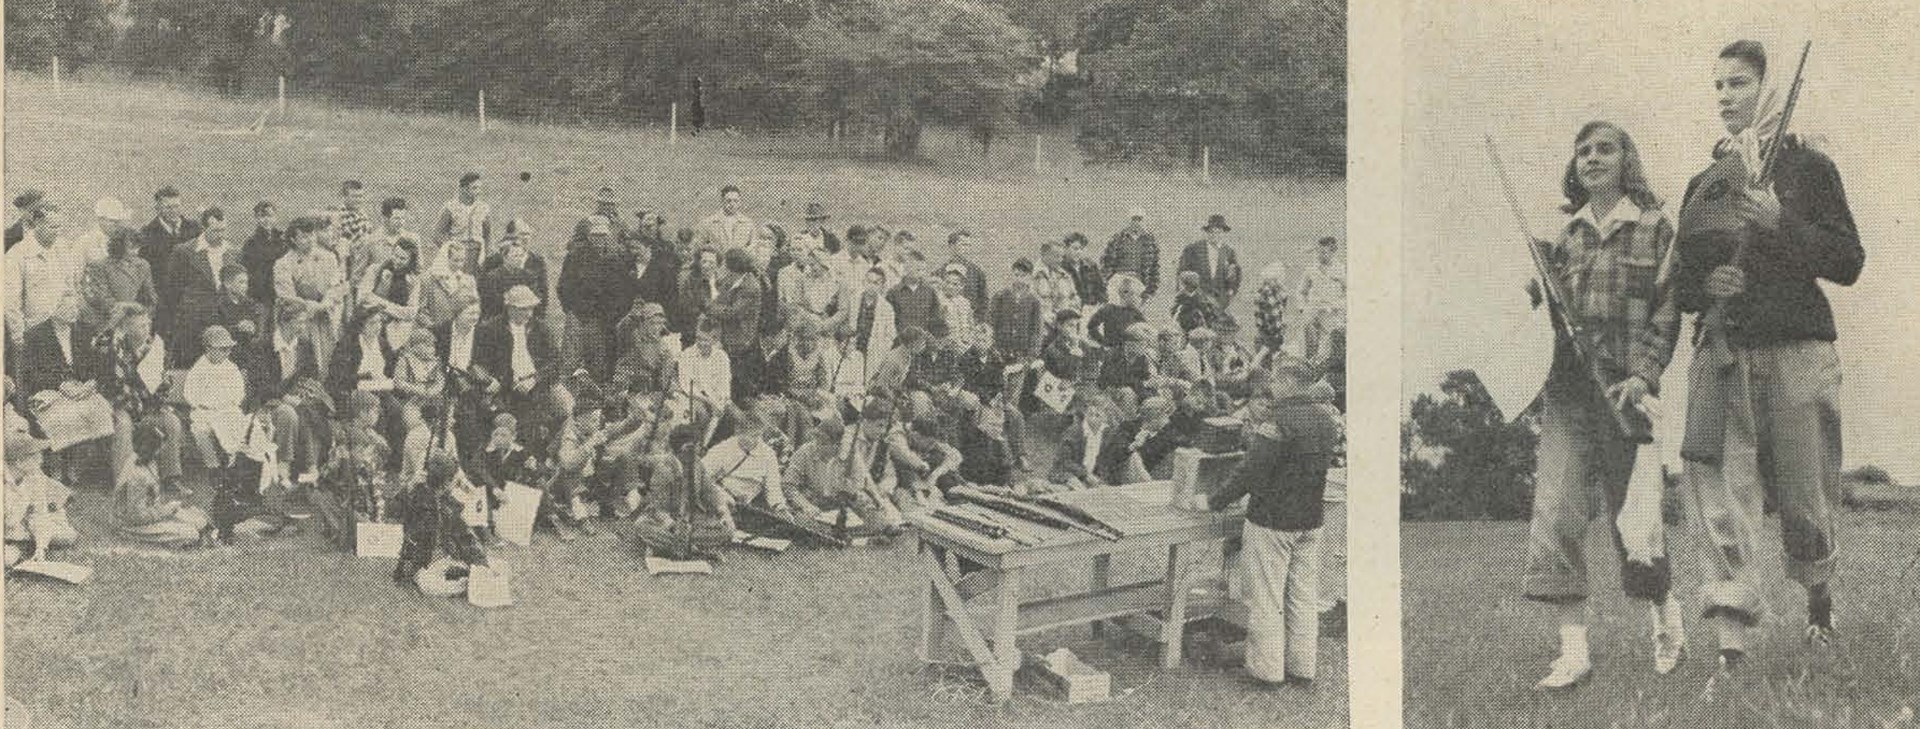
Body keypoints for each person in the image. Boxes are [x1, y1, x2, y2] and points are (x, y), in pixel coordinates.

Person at [1672, 40, 1863, 673]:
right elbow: (1684, 283)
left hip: (1798, 353)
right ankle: (1731, 652)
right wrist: (1708, 289)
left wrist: (1782, 220)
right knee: (1723, 500)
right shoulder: (1705, 184)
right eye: (1717, 85)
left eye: (1738, 84)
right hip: (1725, 356)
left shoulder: (1807, 167)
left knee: (1806, 502)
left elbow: (1848, 262)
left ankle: (1819, 606)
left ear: (1768, 89)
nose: (1724, 96)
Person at [1517, 120, 1684, 689]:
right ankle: (1573, 653)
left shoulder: (1657, 228)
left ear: (1626, 159)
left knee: (1633, 527)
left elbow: (1667, 311)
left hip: (1628, 395)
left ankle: (1666, 620)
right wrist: (1533, 295)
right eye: (1582, 150)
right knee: (1557, 513)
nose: (1592, 158)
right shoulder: (1566, 237)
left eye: (1604, 148)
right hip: (1569, 394)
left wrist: (1643, 376)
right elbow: (1545, 321)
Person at [1181, 358, 1341, 690]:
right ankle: (1302, 669)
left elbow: (1250, 472)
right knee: (1302, 596)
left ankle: (1267, 673)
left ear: (1287, 383)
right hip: (1311, 520)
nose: (1273, 389)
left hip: (1273, 521)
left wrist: (1212, 501)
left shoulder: (1277, 422)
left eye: (1276, 383)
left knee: (1267, 599)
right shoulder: (1327, 421)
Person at [95, 303, 186, 493]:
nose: (147, 330)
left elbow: (163, 378)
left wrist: (161, 390)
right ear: (125, 328)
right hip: (115, 402)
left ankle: (170, 477)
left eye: (148, 324)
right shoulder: (108, 345)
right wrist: (138, 406)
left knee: (171, 421)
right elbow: (112, 386)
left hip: (144, 403)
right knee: (124, 423)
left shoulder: (153, 344)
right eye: (141, 326)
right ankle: (124, 483)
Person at [783, 417, 905, 534]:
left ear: (837, 444)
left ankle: (882, 527)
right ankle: (833, 533)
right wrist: (805, 505)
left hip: (842, 500)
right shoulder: (805, 452)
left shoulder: (849, 455)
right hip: (813, 501)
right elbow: (788, 485)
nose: (817, 445)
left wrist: (853, 490)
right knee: (802, 521)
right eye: (817, 439)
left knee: (867, 508)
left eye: (824, 442)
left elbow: (862, 480)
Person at [559, 215, 640, 381]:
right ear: (589, 236)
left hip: (600, 319)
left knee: (598, 364)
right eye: (595, 236)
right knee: (570, 362)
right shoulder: (575, 256)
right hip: (578, 316)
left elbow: (620, 291)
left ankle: (596, 401)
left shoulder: (615, 260)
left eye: (602, 236)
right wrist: (571, 311)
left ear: (607, 236)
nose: (599, 240)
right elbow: (563, 286)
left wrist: (608, 315)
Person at [112, 421, 215, 549]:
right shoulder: (138, 475)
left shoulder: (147, 460)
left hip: (152, 513)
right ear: (150, 447)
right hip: (130, 525)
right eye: (159, 446)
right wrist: (167, 510)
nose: (162, 450)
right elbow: (136, 516)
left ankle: (200, 534)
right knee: (190, 533)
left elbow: (152, 501)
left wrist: (168, 509)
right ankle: (137, 536)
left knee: (200, 519)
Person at [274, 216, 348, 378]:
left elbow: (336, 287)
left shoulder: (328, 257)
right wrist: (309, 306)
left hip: (327, 316)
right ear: (293, 239)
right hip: (301, 320)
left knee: (332, 361)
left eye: (312, 235)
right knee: (306, 362)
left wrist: (324, 304)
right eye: (304, 236)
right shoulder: (283, 263)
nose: (310, 240)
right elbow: (287, 297)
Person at [6, 202, 87, 347]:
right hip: (34, 336)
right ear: (37, 224)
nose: (57, 232)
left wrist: (72, 309)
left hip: (64, 332)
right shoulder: (17, 255)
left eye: (59, 227)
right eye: (52, 227)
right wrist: (19, 336)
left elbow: (72, 287)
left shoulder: (63, 249)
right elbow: (11, 302)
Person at [474, 285, 559, 423]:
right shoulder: (491, 329)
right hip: (505, 388)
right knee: (505, 422)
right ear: (510, 308)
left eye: (531, 308)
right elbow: (479, 362)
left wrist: (534, 380)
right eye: (523, 309)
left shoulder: (540, 328)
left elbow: (555, 361)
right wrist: (490, 380)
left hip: (539, 383)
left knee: (568, 408)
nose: (529, 314)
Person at [166, 207, 237, 367]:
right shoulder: (184, 251)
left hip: (225, 321)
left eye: (223, 230)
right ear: (204, 228)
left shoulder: (232, 252)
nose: (221, 235)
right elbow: (172, 291)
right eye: (215, 230)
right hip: (194, 323)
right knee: (193, 367)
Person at [4, 431, 81, 565]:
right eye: (34, 456)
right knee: (7, 559)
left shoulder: (35, 476)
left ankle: (25, 544)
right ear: (18, 461)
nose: (40, 460)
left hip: (21, 525)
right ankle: (20, 546)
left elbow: (40, 514)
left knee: (67, 536)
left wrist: (41, 548)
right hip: (8, 530)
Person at [183, 325, 251, 470]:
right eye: (222, 349)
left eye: (228, 349)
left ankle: (236, 462)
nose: (226, 353)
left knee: (239, 424)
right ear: (208, 349)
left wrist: (228, 403)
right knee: (200, 431)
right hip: (205, 412)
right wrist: (207, 405)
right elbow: (190, 394)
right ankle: (213, 467)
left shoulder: (231, 368)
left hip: (227, 409)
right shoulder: (199, 369)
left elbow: (239, 392)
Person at [707, 248, 765, 402]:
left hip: (741, 341)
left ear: (733, 268)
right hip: (727, 337)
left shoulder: (751, 287)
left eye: (724, 264)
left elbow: (731, 312)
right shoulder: (730, 280)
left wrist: (710, 307)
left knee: (738, 386)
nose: (722, 267)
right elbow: (720, 301)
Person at [80, 224, 159, 330]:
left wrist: (138, 310)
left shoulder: (143, 265)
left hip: (134, 322)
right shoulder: (100, 266)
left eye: (138, 247)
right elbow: (101, 298)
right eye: (131, 248)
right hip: (105, 322)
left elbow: (150, 298)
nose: (136, 252)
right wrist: (123, 307)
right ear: (119, 247)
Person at [138, 186, 202, 315]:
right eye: (168, 207)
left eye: (177, 206)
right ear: (158, 208)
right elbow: (145, 271)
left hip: (193, 297)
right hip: (165, 300)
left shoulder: (194, 229)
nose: (174, 211)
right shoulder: (147, 234)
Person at [1292, 236, 1347, 361]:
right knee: (1307, 329)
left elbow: (1348, 291)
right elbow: (1301, 291)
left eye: (1324, 252)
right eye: (1319, 252)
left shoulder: (1340, 269)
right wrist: (1303, 308)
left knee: (1329, 342)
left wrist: (1338, 306)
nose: (1320, 256)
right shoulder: (1311, 269)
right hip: (1314, 309)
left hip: (1332, 312)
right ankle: (1309, 363)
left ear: (1332, 252)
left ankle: (1326, 366)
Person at [1179, 214, 1242, 308]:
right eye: (1212, 231)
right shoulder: (1193, 249)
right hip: (1196, 302)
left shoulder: (1229, 252)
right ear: (1207, 232)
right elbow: (1182, 273)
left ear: (1223, 233)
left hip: (1220, 303)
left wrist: (1229, 294)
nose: (1215, 235)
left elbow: (1235, 277)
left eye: (1219, 232)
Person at [435, 172, 493, 274]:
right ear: (464, 189)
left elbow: (488, 234)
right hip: (458, 253)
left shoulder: (484, 208)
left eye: (479, 188)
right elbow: (437, 234)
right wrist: (450, 249)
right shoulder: (450, 207)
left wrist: (486, 254)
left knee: (475, 285)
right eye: (474, 188)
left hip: (477, 254)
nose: (478, 191)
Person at [419, 237, 479, 332]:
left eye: (462, 260)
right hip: (436, 332)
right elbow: (421, 310)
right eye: (455, 260)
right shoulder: (429, 279)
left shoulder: (468, 280)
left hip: (461, 332)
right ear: (446, 258)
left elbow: (474, 307)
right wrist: (433, 327)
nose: (459, 265)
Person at [477, 238, 545, 322]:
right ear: (505, 257)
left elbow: (536, 298)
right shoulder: (493, 277)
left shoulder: (528, 276)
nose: (519, 259)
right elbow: (489, 304)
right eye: (515, 256)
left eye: (521, 255)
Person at [1102, 207, 1161, 300]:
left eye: (1139, 219)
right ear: (1129, 220)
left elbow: (1154, 267)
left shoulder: (1150, 241)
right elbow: (1107, 262)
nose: (1136, 223)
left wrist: (1151, 290)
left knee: (1135, 311)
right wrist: (1105, 283)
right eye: (1134, 219)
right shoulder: (1118, 239)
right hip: (1118, 278)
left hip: (1139, 280)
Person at [240, 200, 287, 305]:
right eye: (262, 216)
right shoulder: (250, 244)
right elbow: (249, 272)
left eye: (270, 216)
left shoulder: (283, 241)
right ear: (256, 218)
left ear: (275, 217)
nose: (266, 220)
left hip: (283, 292)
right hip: (261, 296)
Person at [1087, 273, 1148, 352]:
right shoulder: (1109, 309)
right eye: (1135, 295)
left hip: (1131, 352)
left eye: (1138, 296)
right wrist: (1103, 342)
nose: (1138, 299)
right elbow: (1091, 326)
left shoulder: (1136, 313)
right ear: (1124, 294)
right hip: (1113, 352)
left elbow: (1145, 330)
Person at [697, 185, 760, 252]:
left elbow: (754, 245)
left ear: (740, 202)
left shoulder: (748, 223)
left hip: (739, 261)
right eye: (729, 201)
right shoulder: (709, 222)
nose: (732, 204)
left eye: (736, 201)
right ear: (722, 201)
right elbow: (699, 246)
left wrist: (744, 254)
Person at [943, 229, 989, 316]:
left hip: (970, 323)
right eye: (963, 245)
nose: (967, 249)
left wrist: (978, 322)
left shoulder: (977, 273)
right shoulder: (940, 272)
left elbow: (984, 301)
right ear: (952, 246)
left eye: (968, 245)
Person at [1032, 241, 1082, 317]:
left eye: (1061, 256)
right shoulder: (1032, 276)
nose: (1060, 260)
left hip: (1065, 323)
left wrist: (1073, 314)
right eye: (1056, 256)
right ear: (1044, 255)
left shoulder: (1065, 276)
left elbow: (1074, 298)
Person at [1060, 232, 1106, 308]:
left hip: (1091, 308)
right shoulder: (1060, 267)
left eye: (1081, 249)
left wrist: (1101, 304)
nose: (1078, 252)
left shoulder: (1091, 266)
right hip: (1069, 310)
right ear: (1066, 249)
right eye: (1075, 249)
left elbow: (1101, 288)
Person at [1171, 270, 1224, 334]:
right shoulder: (1181, 295)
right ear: (1185, 284)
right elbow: (1174, 309)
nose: (1192, 288)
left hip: (1198, 320)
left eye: (1194, 285)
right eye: (1189, 285)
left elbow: (1205, 304)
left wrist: (1211, 311)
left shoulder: (1199, 294)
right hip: (1185, 320)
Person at [332, 180, 376, 249]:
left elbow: (370, 234)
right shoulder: (338, 216)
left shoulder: (362, 214)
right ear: (345, 197)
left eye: (360, 196)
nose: (358, 200)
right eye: (354, 196)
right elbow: (336, 244)